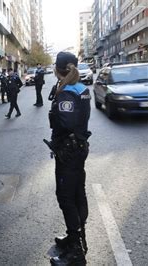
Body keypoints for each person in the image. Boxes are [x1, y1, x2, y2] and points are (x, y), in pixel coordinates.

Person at [46, 52, 92, 265]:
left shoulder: (67, 92)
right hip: (79, 148)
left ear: (58, 69)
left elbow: (65, 124)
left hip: (68, 152)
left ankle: (75, 252)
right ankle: (75, 236)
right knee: (77, 193)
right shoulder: (81, 89)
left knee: (66, 197)